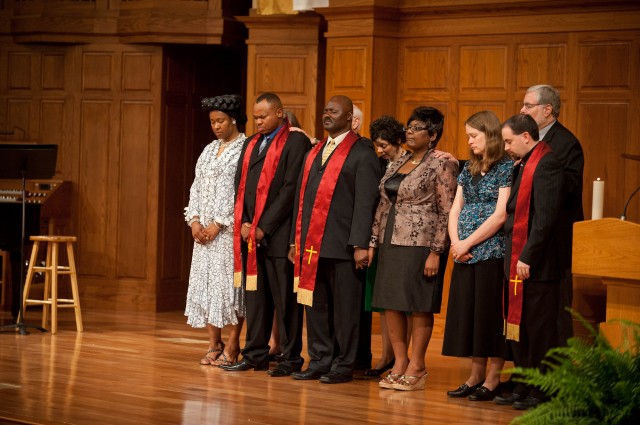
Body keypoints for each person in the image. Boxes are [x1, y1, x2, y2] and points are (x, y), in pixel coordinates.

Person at [288, 95, 381, 384]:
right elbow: (300, 200)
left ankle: (344, 363)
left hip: (344, 245)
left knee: (346, 310)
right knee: (316, 307)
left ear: (349, 117)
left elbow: (366, 203)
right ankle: (320, 359)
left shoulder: (362, 153)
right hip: (312, 244)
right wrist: (294, 240)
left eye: (334, 111)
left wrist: (360, 244)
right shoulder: (315, 152)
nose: (327, 115)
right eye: (325, 110)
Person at [220, 92, 310, 377]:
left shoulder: (296, 142)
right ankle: (255, 353)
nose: (258, 122)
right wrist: (245, 223)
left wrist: (263, 226)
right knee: (256, 298)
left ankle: (290, 357)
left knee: (285, 299)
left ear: (280, 113)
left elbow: (290, 190)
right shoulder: (251, 143)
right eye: (256, 117)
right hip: (251, 236)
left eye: (263, 116)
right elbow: (241, 188)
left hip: (280, 235)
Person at [369, 106, 458, 391]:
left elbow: (447, 210)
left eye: (417, 127)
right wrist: (373, 242)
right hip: (390, 239)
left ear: (433, 135)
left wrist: (436, 251)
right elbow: (383, 203)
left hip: (421, 243)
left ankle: (417, 366)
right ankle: (399, 362)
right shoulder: (400, 160)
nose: (409, 131)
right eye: (409, 126)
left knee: (418, 304)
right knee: (391, 302)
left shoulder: (442, 163)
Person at [442, 110, 513, 401]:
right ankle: (474, 375)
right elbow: (455, 208)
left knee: (489, 316)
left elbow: (499, 216)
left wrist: (467, 242)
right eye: (468, 136)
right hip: (465, 252)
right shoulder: (469, 168)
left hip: (491, 252)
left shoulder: (506, 168)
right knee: (470, 315)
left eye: (474, 135)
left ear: (490, 134)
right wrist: (456, 242)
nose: (469, 141)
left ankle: (493, 378)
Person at [495, 114, 564, 410]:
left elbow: (546, 217)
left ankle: (542, 387)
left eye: (509, 141)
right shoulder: (523, 163)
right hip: (516, 256)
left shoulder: (547, 163)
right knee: (518, 325)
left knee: (538, 327)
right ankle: (524, 382)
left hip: (536, 261)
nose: (506, 147)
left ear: (526, 136)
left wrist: (527, 255)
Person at [184, 94, 248, 366]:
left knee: (230, 289)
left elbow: (244, 191)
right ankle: (213, 343)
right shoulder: (209, 150)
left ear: (233, 119)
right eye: (212, 122)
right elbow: (196, 187)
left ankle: (233, 344)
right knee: (208, 287)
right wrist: (195, 220)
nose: (216, 126)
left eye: (221, 121)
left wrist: (219, 222)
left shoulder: (245, 148)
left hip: (227, 231)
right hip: (204, 235)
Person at [520, 84, 584, 346]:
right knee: (529, 309)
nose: (522, 110)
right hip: (525, 232)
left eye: (528, 106)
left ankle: (553, 377)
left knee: (552, 309)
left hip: (554, 240)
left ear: (548, 110)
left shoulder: (566, 143)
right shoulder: (525, 139)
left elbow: (566, 189)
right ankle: (529, 371)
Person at [360, 115, 407, 378]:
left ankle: (400, 357)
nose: (379, 150)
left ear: (398, 141)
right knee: (381, 301)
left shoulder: (410, 161)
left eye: (384, 145)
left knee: (401, 303)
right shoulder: (382, 164)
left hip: (403, 237)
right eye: (377, 145)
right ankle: (387, 354)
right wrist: (371, 243)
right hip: (381, 236)